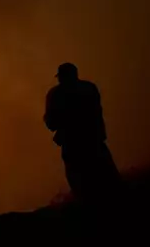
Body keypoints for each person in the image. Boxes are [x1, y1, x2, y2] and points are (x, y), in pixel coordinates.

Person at [44, 63, 120, 205]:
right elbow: (97, 113)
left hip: (73, 145)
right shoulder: (88, 88)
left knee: (81, 185)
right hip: (94, 141)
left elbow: (50, 122)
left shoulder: (56, 94)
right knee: (108, 180)